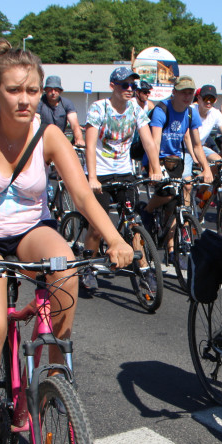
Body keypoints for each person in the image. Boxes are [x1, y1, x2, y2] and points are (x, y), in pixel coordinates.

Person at [0, 39, 133, 444]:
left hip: (31, 231)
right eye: (14, 90)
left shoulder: (48, 135)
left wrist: (115, 239)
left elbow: (83, 193)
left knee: (65, 268)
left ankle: (53, 377)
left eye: (31, 89)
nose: (25, 99)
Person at [81, 67, 163, 291]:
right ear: (112, 87)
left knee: (133, 221)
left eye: (132, 86)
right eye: (124, 85)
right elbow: (90, 145)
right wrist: (93, 177)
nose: (130, 90)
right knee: (98, 226)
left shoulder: (135, 109)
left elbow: (148, 141)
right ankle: (88, 265)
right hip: (102, 174)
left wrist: (155, 169)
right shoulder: (100, 108)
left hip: (125, 171)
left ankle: (144, 269)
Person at [142, 75, 214, 258]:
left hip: (176, 160)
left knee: (177, 204)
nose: (187, 96)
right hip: (157, 158)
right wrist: (154, 168)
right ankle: (147, 211)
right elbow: (154, 142)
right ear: (174, 92)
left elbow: (197, 146)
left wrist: (206, 168)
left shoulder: (191, 113)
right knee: (169, 194)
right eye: (183, 92)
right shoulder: (162, 109)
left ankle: (172, 249)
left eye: (190, 93)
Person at [193, 84, 222, 161]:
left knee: (218, 162)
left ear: (215, 100)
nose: (208, 102)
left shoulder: (216, 113)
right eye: (205, 98)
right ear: (199, 98)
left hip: (200, 147)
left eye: (211, 99)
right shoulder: (191, 110)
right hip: (185, 148)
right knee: (186, 173)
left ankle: (210, 173)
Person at [37, 75, 85, 147]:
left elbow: (74, 124)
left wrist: (79, 139)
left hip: (60, 140)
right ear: (45, 90)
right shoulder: (39, 103)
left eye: (56, 89)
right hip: (42, 141)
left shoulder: (67, 103)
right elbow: (35, 120)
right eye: (50, 89)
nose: (53, 92)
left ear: (60, 91)